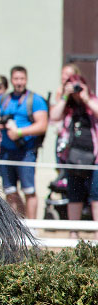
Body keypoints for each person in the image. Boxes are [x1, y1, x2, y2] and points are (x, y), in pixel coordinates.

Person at [0, 65, 49, 219]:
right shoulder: (4, 99)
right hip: (6, 151)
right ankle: (17, 225)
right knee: (10, 191)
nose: (19, 82)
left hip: (26, 151)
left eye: (22, 79)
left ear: (26, 79)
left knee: (29, 190)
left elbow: (42, 125)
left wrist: (19, 132)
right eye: (16, 79)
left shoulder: (36, 100)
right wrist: (1, 123)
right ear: (11, 80)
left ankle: (31, 227)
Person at [52, 73, 98, 234]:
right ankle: (73, 234)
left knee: (96, 196)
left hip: (94, 159)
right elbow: (54, 117)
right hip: (72, 158)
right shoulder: (68, 107)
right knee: (74, 195)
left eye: (78, 85)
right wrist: (65, 96)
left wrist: (85, 98)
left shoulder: (92, 101)